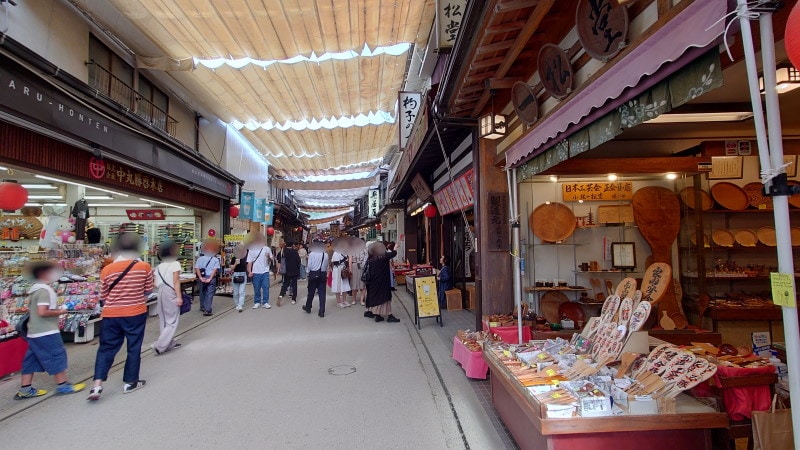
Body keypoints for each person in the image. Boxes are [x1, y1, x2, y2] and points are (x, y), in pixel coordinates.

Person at [88, 232, 153, 401]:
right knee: (134, 347)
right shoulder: (145, 267)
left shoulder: (107, 270)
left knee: (106, 348)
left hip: (111, 314)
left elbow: (102, 296)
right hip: (135, 313)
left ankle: (97, 386)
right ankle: (130, 382)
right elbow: (148, 291)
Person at [15, 262, 86, 400]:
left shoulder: (34, 289)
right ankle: (63, 385)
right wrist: (60, 311)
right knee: (56, 356)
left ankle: (25, 389)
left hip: (34, 331)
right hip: (46, 331)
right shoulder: (44, 291)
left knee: (31, 359)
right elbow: (43, 312)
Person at [152, 241, 183, 354]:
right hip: (170, 292)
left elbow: (155, 284)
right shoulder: (175, 264)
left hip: (160, 292)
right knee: (172, 320)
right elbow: (176, 281)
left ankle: (169, 343)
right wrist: (179, 297)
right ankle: (160, 345)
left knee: (164, 319)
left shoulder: (159, 266)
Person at [364, 241, 399, 323]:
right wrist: (396, 247)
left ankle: (377, 315)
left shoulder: (371, 258)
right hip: (383, 281)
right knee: (385, 298)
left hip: (373, 282)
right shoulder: (383, 256)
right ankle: (390, 315)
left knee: (376, 298)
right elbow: (393, 253)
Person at [302, 241, 329, 317]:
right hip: (323, 274)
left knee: (311, 292)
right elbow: (327, 265)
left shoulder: (312, 254)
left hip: (313, 274)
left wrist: (307, 272)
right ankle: (322, 311)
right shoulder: (325, 254)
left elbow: (309, 265)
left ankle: (308, 307)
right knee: (322, 293)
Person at [247, 233, 274, 309]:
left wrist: (269, 257)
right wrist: (250, 271)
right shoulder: (252, 249)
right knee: (256, 287)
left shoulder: (267, 249)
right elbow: (249, 262)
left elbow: (271, 260)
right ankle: (257, 302)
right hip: (256, 271)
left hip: (265, 271)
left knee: (266, 287)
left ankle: (265, 302)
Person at [194, 241, 221, 316]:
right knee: (209, 294)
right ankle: (208, 310)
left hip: (202, 277)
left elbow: (197, 268)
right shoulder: (215, 260)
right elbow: (214, 270)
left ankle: (202, 306)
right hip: (210, 278)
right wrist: (210, 278)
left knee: (202, 292)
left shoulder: (200, 259)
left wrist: (200, 277)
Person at [278, 240, 301, 306]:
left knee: (285, 284)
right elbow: (298, 261)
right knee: (294, 285)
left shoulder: (283, 251)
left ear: (286, 244)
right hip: (294, 270)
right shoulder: (295, 251)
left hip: (286, 270)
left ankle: (281, 295)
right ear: (292, 245)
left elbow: (280, 260)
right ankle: (293, 299)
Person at [230, 244, 249, 312]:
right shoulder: (234, 257)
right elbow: (231, 268)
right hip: (235, 274)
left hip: (243, 274)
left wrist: (249, 272)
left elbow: (248, 265)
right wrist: (235, 263)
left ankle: (240, 305)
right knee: (235, 292)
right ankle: (237, 304)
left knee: (241, 291)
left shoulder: (245, 257)